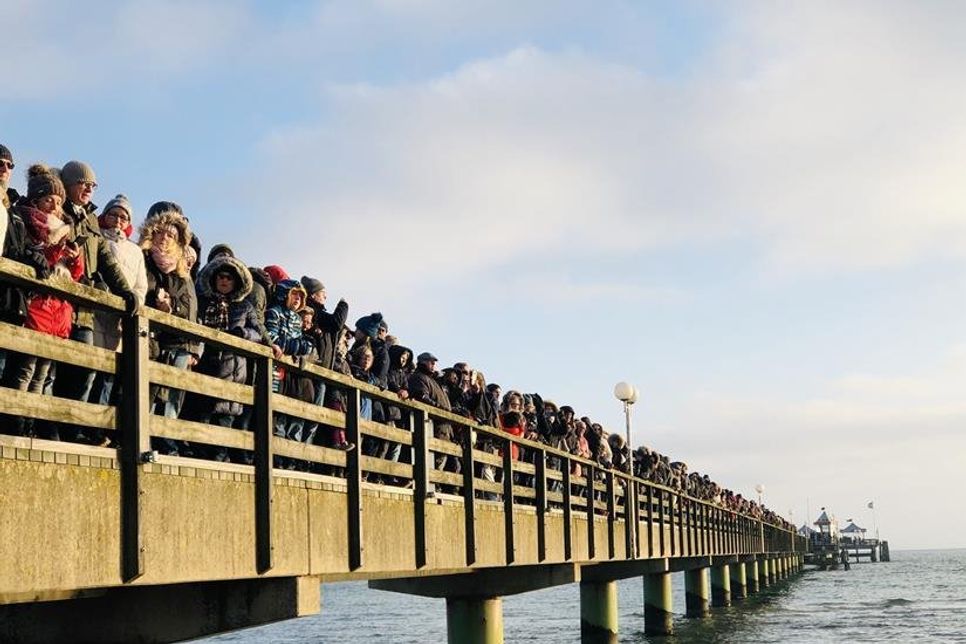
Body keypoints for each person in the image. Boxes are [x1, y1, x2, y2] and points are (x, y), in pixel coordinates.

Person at [53, 161, 137, 408]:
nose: (89, 188)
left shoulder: (90, 219)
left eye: (93, 185)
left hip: (83, 309)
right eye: (83, 183)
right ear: (68, 185)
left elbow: (106, 260)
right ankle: (45, 425)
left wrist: (125, 291)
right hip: (58, 300)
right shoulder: (57, 209)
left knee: (85, 367)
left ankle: (71, 426)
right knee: (53, 365)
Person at [11, 166, 83, 436]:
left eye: (58, 200)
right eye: (48, 199)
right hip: (38, 309)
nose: (54, 205)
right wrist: (55, 250)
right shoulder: (30, 224)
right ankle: (14, 423)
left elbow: (74, 276)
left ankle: (30, 424)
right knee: (25, 370)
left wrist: (75, 258)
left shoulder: (64, 229)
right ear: (36, 200)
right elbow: (40, 263)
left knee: (42, 375)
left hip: (58, 314)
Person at [187, 254, 266, 460]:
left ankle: (219, 458)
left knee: (225, 420)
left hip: (233, 368)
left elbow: (258, 332)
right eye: (220, 276)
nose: (224, 280)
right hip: (206, 363)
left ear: (236, 282)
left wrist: (243, 334)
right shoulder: (203, 302)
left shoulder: (244, 307)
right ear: (213, 278)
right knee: (202, 416)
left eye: (229, 278)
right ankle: (200, 458)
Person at [140, 207, 198, 455]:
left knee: (169, 392)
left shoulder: (181, 273)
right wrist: (156, 302)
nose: (165, 238)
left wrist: (171, 307)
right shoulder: (144, 259)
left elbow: (189, 309)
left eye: (171, 235)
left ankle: (165, 439)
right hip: (148, 335)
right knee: (148, 389)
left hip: (174, 339)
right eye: (161, 233)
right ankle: (144, 437)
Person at [88, 194, 147, 413]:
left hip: (120, 319)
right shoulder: (96, 237)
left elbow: (141, 286)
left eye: (124, 217)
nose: (118, 220)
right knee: (90, 368)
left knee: (109, 375)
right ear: (105, 215)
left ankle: (97, 428)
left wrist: (133, 303)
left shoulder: (135, 251)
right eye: (114, 214)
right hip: (96, 311)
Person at [407, 351, 460, 481]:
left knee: (447, 463)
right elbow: (421, 397)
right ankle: (429, 487)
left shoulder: (433, 381)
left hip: (444, 429)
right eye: (430, 362)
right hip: (432, 427)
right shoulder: (418, 377)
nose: (433, 364)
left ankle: (435, 486)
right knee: (433, 462)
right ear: (422, 362)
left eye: (434, 362)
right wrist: (442, 410)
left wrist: (453, 411)